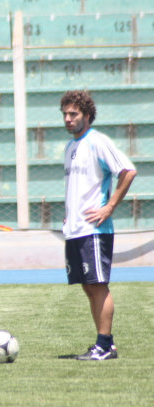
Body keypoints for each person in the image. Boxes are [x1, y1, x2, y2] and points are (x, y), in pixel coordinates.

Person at [60, 90, 136, 360]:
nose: (68, 119)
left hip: (94, 230)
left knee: (98, 285)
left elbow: (128, 171)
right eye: (65, 114)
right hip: (76, 229)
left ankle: (104, 345)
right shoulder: (70, 147)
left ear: (87, 115)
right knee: (88, 286)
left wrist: (110, 206)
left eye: (74, 114)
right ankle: (106, 344)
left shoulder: (97, 142)